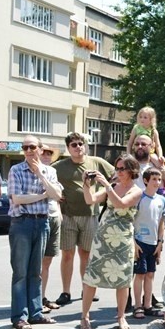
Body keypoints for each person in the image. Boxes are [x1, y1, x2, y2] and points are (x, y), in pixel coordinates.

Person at [80, 154, 143, 329]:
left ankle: (121, 316)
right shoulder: (113, 186)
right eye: (117, 168)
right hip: (103, 238)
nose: (119, 172)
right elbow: (90, 200)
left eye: (122, 168)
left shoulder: (136, 190)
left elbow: (121, 204)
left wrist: (107, 186)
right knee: (92, 277)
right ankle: (84, 316)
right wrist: (87, 184)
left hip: (122, 239)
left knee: (123, 280)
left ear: (132, 170)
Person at [52, 131, 114, 307]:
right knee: (67, 255)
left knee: (86, 254)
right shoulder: (59, 166)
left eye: (81, 144)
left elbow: (116, 176)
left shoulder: (96, 162)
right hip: (68, 216)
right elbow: (47, 179)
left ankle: (86, 288)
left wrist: (103, 192)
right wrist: (57, 195)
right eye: (74, 145)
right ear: (68, 148)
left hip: (90, 216)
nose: (78, 147)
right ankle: (66, 291)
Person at [8, 135, 62, 329]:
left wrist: (41, 175)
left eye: (32, 147)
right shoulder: (16, 170)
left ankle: (36, 313)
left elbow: (57, 196)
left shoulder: (49, 171)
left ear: (40, 149)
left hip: (42, 223)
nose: (29, 150)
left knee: (36, 273)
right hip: (22, 223)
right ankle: (19, 316)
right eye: (25, 147)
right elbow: (17, 199)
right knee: (21, 272)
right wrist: (42, 195)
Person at [132, 168, 165, 319]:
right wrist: (133, 242)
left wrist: (160, 242)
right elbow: (131, 220)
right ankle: (137, 305)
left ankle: (148, 305)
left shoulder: (162, 200)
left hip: (154, 243)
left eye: (159, 180)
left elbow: (161, 223)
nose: (157, 183)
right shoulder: (139, 198)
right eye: (153, 179)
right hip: (140, 241)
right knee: (139, 274)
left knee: (150, 274)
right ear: (145, 180)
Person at [39, 143, 62, 313]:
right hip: (41, 217)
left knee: (47, 261)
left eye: (49, 153)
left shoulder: (53, 171)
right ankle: (36, 299)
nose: (46, 155)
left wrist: (59, 213)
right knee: (37, 263)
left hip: (54, 216)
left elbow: (57, 195)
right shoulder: (34, 171)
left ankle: (42, 296)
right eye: (43, 152)